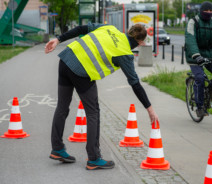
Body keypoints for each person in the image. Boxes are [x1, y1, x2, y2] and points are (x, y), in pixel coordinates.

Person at [44, 23, 159, 170]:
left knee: (62, 106)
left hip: (66, 58)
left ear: (128, 31)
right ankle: (94, 157)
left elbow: (81, 29)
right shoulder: (124, 52)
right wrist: (150, 109)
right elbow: (135, 83)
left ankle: (57, 148)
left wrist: (58, 39)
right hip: (81, 71)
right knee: (93, 112)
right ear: (141, 42)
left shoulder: (110, 28)